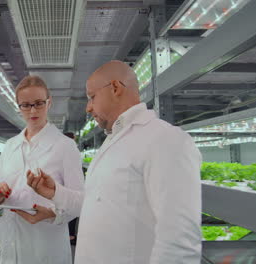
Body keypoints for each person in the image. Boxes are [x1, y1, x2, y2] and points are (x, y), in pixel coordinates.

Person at [15, 61, 202, 263]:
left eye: (92, 97)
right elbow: (95, 202)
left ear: (115, 87)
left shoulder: (164, 139)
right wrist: (55, 193)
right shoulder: (113, 141)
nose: (88, 107)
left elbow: (179, 240)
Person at [0, 75, 84, 264]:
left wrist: (53, 214)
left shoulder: (64, 146)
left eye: (39, 103)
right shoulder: (10, 145)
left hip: (46, 245)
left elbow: (80, 201)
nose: (32, 110)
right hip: (10, 243)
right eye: (26, 105)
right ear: (19, 107)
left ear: (49, 103)